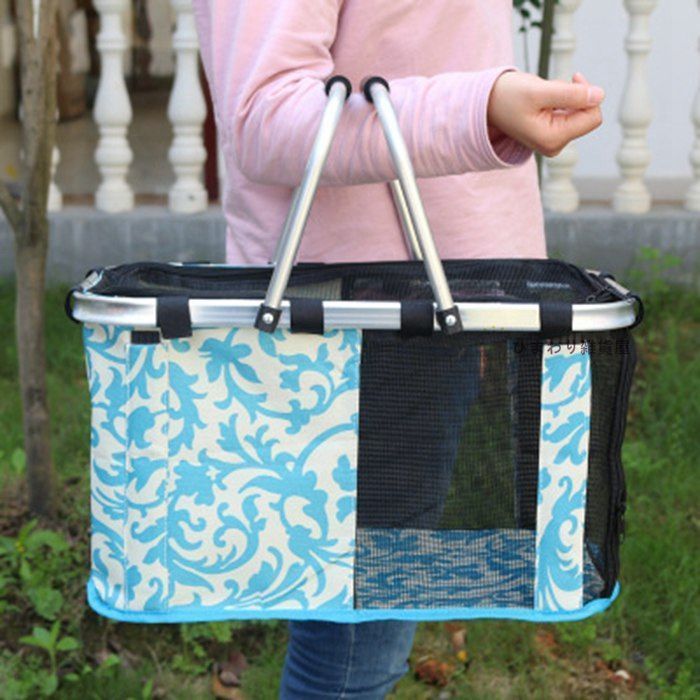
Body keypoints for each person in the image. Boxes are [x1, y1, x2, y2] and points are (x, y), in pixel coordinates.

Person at [192, 2, 604, 698]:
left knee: (356, 639)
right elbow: (263, 117)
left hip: (431, 297)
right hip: (364, 319)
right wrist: (482, 107)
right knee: (352, 657)